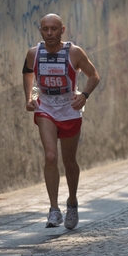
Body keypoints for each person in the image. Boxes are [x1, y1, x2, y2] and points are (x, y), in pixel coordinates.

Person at [22, 13, 100, 229]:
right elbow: (29, 74)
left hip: (69, 108)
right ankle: (54, 209)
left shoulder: (74, 52)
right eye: (45, 29)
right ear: (40, 30)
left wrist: (83, 95)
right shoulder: (33, 53)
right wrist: (30, 98)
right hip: (45, 107)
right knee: (50, 156)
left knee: (69, 161)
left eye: (54, 29)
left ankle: (72, 202)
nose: (49, 33)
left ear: (62, 30)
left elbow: (94, 75)